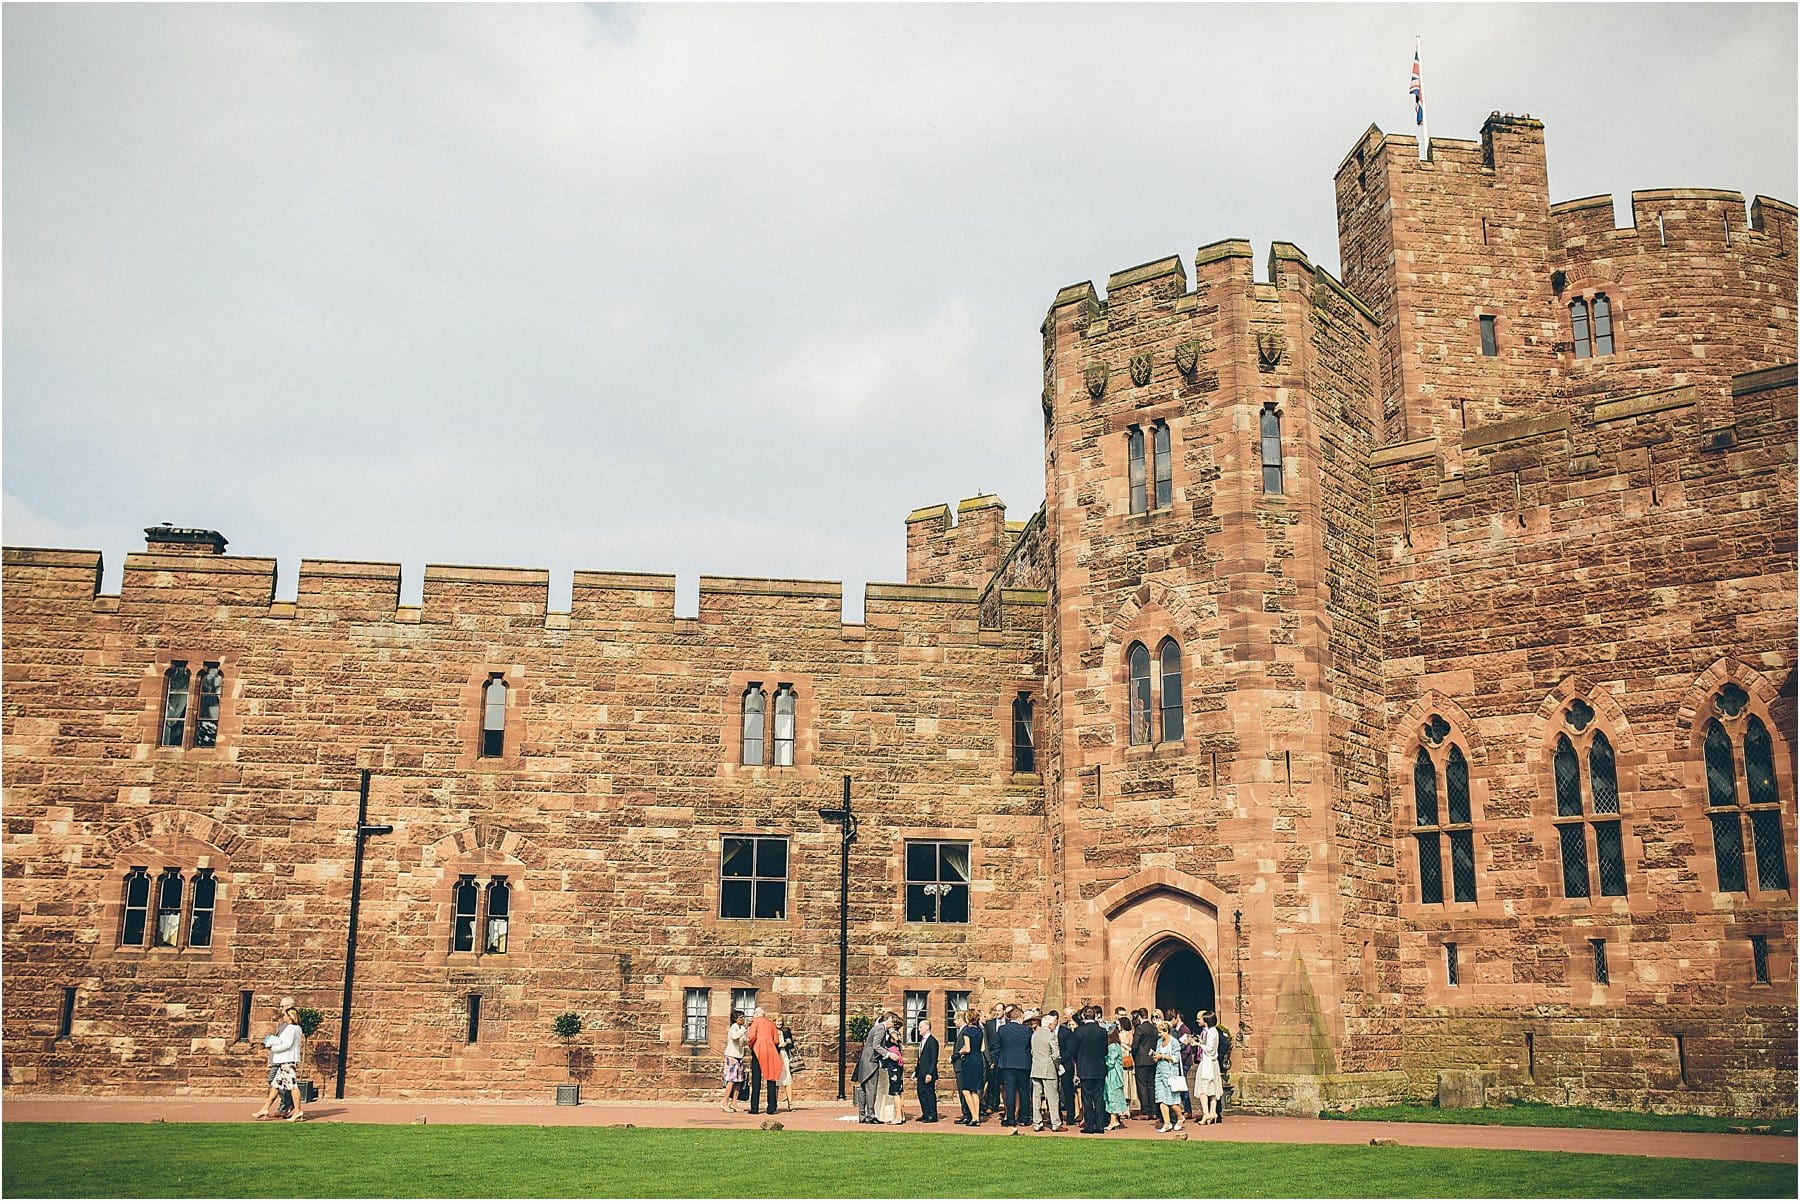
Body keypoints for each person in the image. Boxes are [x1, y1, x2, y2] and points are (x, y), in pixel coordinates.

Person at [252, 1003, 306, 1122]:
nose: (284, 1017)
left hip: (287, 1061)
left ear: (290, 1016)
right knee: (275, 1086)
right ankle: (265, 1108)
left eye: (286, 1015)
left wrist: (273, 1047)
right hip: (284, 1061)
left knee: (292, 1086)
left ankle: (297, 1110)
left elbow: (287, 1044)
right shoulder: (295, 1028)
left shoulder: (292, 1028)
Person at [991, 1005, 1032, 1127]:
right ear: (1020, 1017)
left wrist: (999, 1060)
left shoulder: (1002, 1030)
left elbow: (997, 1048)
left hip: (1007, 1064)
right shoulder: (1026, 1030)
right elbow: (1030, 1047)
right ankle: (1024, 1118)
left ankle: (1010, 1118)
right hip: (1023, 1064)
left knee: (1010, 1091)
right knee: (1024, 1091)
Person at [1071, 1006, 1110, 1134]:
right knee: (1099, 1098)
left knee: (1087, 1099)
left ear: (1083, 1016)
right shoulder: (1102, 1031)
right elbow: (1105, 1051)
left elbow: (1074, 1050)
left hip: (1085, 1068)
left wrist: (1079, 1060)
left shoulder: (1079, 1031)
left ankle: (1089, 1126)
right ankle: (1099, 1126)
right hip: (1099, 1067)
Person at [1028, 1011, 1063, 1131]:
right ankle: (1056, 1123)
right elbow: (1056, 1054)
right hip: (1048, 1068)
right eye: (1053, 1024)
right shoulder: (1051, 1035)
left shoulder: (1035, 1035)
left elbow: (1032, 1051)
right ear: (1049, 1024)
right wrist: (1057, 1066)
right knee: (1052, 1097)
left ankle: (1037, 1123)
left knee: (1036, 1097)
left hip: (1036, 1067)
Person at [853, 1011, 889, 1123]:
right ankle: (870, 1116)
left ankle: (863, 1116)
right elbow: (876, 1046)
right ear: (888, 1020)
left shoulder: (876, 1027)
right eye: (892, 1021)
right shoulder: (881, 1029)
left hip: (865, 1060)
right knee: (871, 1090)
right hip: (871, 1062)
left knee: (863, 1089)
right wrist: (888, 1054)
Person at [746, 1007, 782, 1115]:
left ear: (756, 1014)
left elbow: (751, 1037)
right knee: (771, 1078)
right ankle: (771, 1107)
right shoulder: (771, 1024)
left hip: (758, 1049)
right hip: (770, 1050)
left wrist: (751, 1046)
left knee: (756, 1079)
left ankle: (754, 1107)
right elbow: (776, 1040)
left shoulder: (754, 1022)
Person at [955, 1005, 986, 1125]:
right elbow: (982, 1048)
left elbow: (967, 1049)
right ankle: (976, 1116)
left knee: (966, 1090)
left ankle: (974, 1117)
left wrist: (960, 1051)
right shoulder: (979, 1031)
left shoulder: (967, 1031)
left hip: (969, 1061)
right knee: (975, 1090)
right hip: (978, 1059)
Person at [1153, 1019, 1185, 1132]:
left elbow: (1176, 1058)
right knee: (1161, 1099)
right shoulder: (1159, 1042)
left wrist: (1163, 1056)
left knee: (1171, 1101)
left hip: (1171, 1073)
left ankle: (1180, 1117)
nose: (1159, 1034)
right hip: (1160, 1072)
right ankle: (1167, 1123)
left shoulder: (1174, 1042)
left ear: (1167, 1031)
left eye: (1161, 1032)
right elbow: (1158, 1054)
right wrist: (1155, 1056)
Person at [1193, 1010, 1225, 1124]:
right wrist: (1200, 1041)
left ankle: (1207, 1113)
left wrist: (1198, 1044)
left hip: (1208, 1062)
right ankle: (1212, 1112)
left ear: (1206, 1021)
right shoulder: (1208, 1031)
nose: (1198, 1021)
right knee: (1211, 1089)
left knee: (1203, 1089)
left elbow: (1210, 1049)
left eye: (1200, 1019)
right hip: (1209, 1062)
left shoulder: (1212, 1031)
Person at [1131, 1008, 1159, 1120]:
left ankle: (1145, 1111)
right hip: (1152, 1059)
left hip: (1141, 1060)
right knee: (1151, 1085)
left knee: (1142, 1086)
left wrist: (1134, 1055)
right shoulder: (1153, 1028)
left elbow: (1135, 1045)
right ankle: (1153, 1110)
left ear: (1139, 1016)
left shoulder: (1140, 1028)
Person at [1054, 1009, 1078, 1132]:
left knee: (1068, 1091)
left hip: (1065, 1064)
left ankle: (1070, 1117)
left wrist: (1061, 1060)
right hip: (1052, 1066)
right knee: (1053, 1092)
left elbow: (1070, 1049)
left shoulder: (1066, 1032)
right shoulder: (1048, 1032)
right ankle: (1056, 1116)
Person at [1103, 1023, 1129, 1131]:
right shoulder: (1115, 1045)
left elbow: (1111, 1062)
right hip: (1112, 1074)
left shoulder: (1113, 1046)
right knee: (1111, 1096)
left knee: (1113, 1096)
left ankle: (1113, 1121)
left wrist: (1101, 1062)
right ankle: (1115, 1120)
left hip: (1113, 1074)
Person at [914, 1017, 941, 1122]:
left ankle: (932, 1114)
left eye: (921, 1027)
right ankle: (925, 1113)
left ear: (927, 1028)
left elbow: (934, 1059)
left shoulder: (932, 1041)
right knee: (921, 1092)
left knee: (929, 1093)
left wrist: (930, 1073)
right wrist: (915, 1071)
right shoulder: (922, 1041)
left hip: (928, 1072)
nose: (919, 1029)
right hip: (921, 1071)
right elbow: (921, 1057)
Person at [721, 1010, 747, 1112]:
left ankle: (734, 1102)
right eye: (740, 1017)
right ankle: (724, 1102)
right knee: (731, 1080)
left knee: (739, 1081)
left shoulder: (741, 1028)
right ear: (735, 1019)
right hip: (732, 1056)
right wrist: (745, 1029)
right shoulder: (734, 1027)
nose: (743, 1019)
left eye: (743, 1017)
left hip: (739, 1056)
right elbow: (734, 1036)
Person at [776, 1022, 796, 1112]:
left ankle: (790, 1104)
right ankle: (774, 1104)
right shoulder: (772, 1031)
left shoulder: (786, 1031)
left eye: (780, 1021)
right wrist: (778, 1045)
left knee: (788, 1080)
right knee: (775, 1082)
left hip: (785, 1057)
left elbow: (791, 1043)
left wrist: (787, 1044)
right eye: (777, 1021)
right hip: (776, 1057)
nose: (779, 1023)